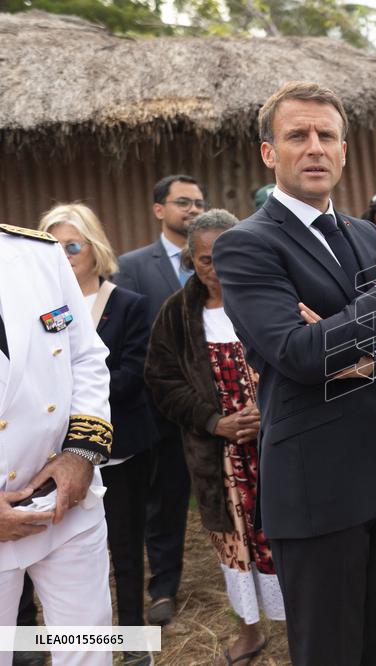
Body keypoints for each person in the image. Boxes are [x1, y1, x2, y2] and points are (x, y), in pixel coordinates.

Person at [210, 81, 376, 665]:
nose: (314, 147)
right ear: (269, 152)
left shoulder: (365, 235)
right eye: (297, 136)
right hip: (317, 487)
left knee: (373, 646)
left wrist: (362, 355)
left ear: (343, 150)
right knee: (327, 652)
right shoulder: (247, 245)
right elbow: (298, 354)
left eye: (326, 136)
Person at [145, 210, 284, 665]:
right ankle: (248, 631)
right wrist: (213, 421)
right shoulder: (177, 314)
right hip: (218, 460)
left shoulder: (270, 297)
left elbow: (299, 359)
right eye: (205, 260)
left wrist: (272, 411)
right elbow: (162, 381)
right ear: (191, 260)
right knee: (234, 544)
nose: (216, 269)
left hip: (279, 448)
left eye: (225, 256)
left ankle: (302, 625)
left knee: (287, 538)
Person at [38, 204, 154, 666]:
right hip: (47, 456)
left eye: (72, 246)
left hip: (118, 450)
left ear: (94, 249)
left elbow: (131, 374)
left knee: (125, 550)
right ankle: (32, 647)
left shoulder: (127, 304)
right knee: (46, 559)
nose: (64, 256)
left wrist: (71, 400)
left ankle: (132, 644)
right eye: (55, 248)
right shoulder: (42, 309)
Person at [0, 223, 114, 666]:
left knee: (89, 648)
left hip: (65, 502)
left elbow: (85, 355)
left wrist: (81, 454)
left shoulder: (39, 254)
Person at [116, 174, 206, 626]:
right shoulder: (131, 266)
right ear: (159, 210)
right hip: (158, 408)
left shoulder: (216, 261)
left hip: (214, 403)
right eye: (182, 202)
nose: (192, 210)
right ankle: (163, 588)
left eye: (198, 202)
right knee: (165, 500)